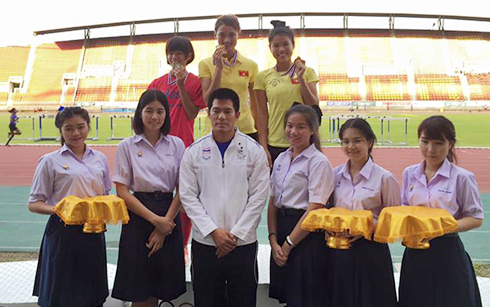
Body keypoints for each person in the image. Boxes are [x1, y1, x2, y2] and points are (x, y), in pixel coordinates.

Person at [179, 88, 269, 307]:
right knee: (207, 301)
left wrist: (235, 235)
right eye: (216, 111)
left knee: (243, 301)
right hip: (205, 243)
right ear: (208, 113)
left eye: (227, 111)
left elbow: (258, 198)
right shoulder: (193, 152)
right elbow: (188, 197)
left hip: (243, 244)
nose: (221, 116)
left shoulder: (254, 151)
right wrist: (213, 232)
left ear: (238, 114)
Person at [28, 107, 110, 307]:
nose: (76, 133)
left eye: (81, 127)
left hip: (93, 230)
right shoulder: (50, 161)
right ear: (61, 131)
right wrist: (59, 208)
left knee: (92, 291)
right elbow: (34, 203)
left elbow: (105, 195)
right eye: (69, 128)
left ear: (88, 127)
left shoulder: (100, 159)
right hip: (63, 232)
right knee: (61, 293)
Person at [398, 115, 483, 307]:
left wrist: (441, 228)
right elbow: (404, 209)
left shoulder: (462, 178)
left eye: (438, 143)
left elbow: (475, 218)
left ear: (450, 144)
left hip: (447, 251)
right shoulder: (409, 173)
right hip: (414, 251)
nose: (430, 149)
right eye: (425, 141)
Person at [111, 90, 186, 307]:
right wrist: (156, 222)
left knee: (160, 284)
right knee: (139, 287)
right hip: (138, 216)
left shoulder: (177, 145)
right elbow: (123, 192)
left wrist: (164, 225)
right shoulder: (127, 146)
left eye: (160, 111)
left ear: (167, 114)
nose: (155, 116)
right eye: (149, 111)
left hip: (169, 214)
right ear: (140, 114)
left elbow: (183, 189)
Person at [325, 118, 399, 307]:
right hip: (339, 253)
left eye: (357, 140)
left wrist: (365, 228)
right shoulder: (335, 175)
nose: (351, 146)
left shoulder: (384, 178)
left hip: (371, 253)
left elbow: (393, 223)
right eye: (346, 141)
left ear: (370, 142)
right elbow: (328, 211)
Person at [148, 35, 207, 265]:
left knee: (185, 197)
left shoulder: (194, 82)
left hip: (183, 146)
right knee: (160, 195)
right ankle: (159, 237)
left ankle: (182, 244)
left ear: (189, 56)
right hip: (158, 147)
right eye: (171, 53)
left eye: (180, 53)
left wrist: (181, 83)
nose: (175, 57)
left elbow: (192, 113)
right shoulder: (157, 83)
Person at [268, 104, 334, 307]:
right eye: (289, 126)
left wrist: (288, 244)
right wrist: (273, 241)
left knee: (305, 298)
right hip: (281, 232)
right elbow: (272, 202)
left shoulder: (318, 162)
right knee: (288, 297)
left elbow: (315, 208)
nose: (293, 132)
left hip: (305, 236)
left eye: (301, 127)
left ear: (312, 130)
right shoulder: (281, 158)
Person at [255, 20, 320, 165]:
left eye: (285, 44)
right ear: (270, 48)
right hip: (275, 142)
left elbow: (313, 105)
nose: (281, 49)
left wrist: (301, 78)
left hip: (302, 140)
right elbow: (262, 114)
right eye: (276, 45)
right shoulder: (262, 77)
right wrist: (263, 146)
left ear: (293, 45)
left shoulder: (307, 72)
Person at [199, 14, 259, 141]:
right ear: (215, 35)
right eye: (222, 35)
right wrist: (219, 68)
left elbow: (255, 105)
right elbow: (207, 99)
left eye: (231, 34)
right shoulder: (205, 64)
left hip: (245, 129)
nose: (226, 40)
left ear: (239, 34)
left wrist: (261, 135)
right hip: (216, 128)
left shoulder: (251, 65)